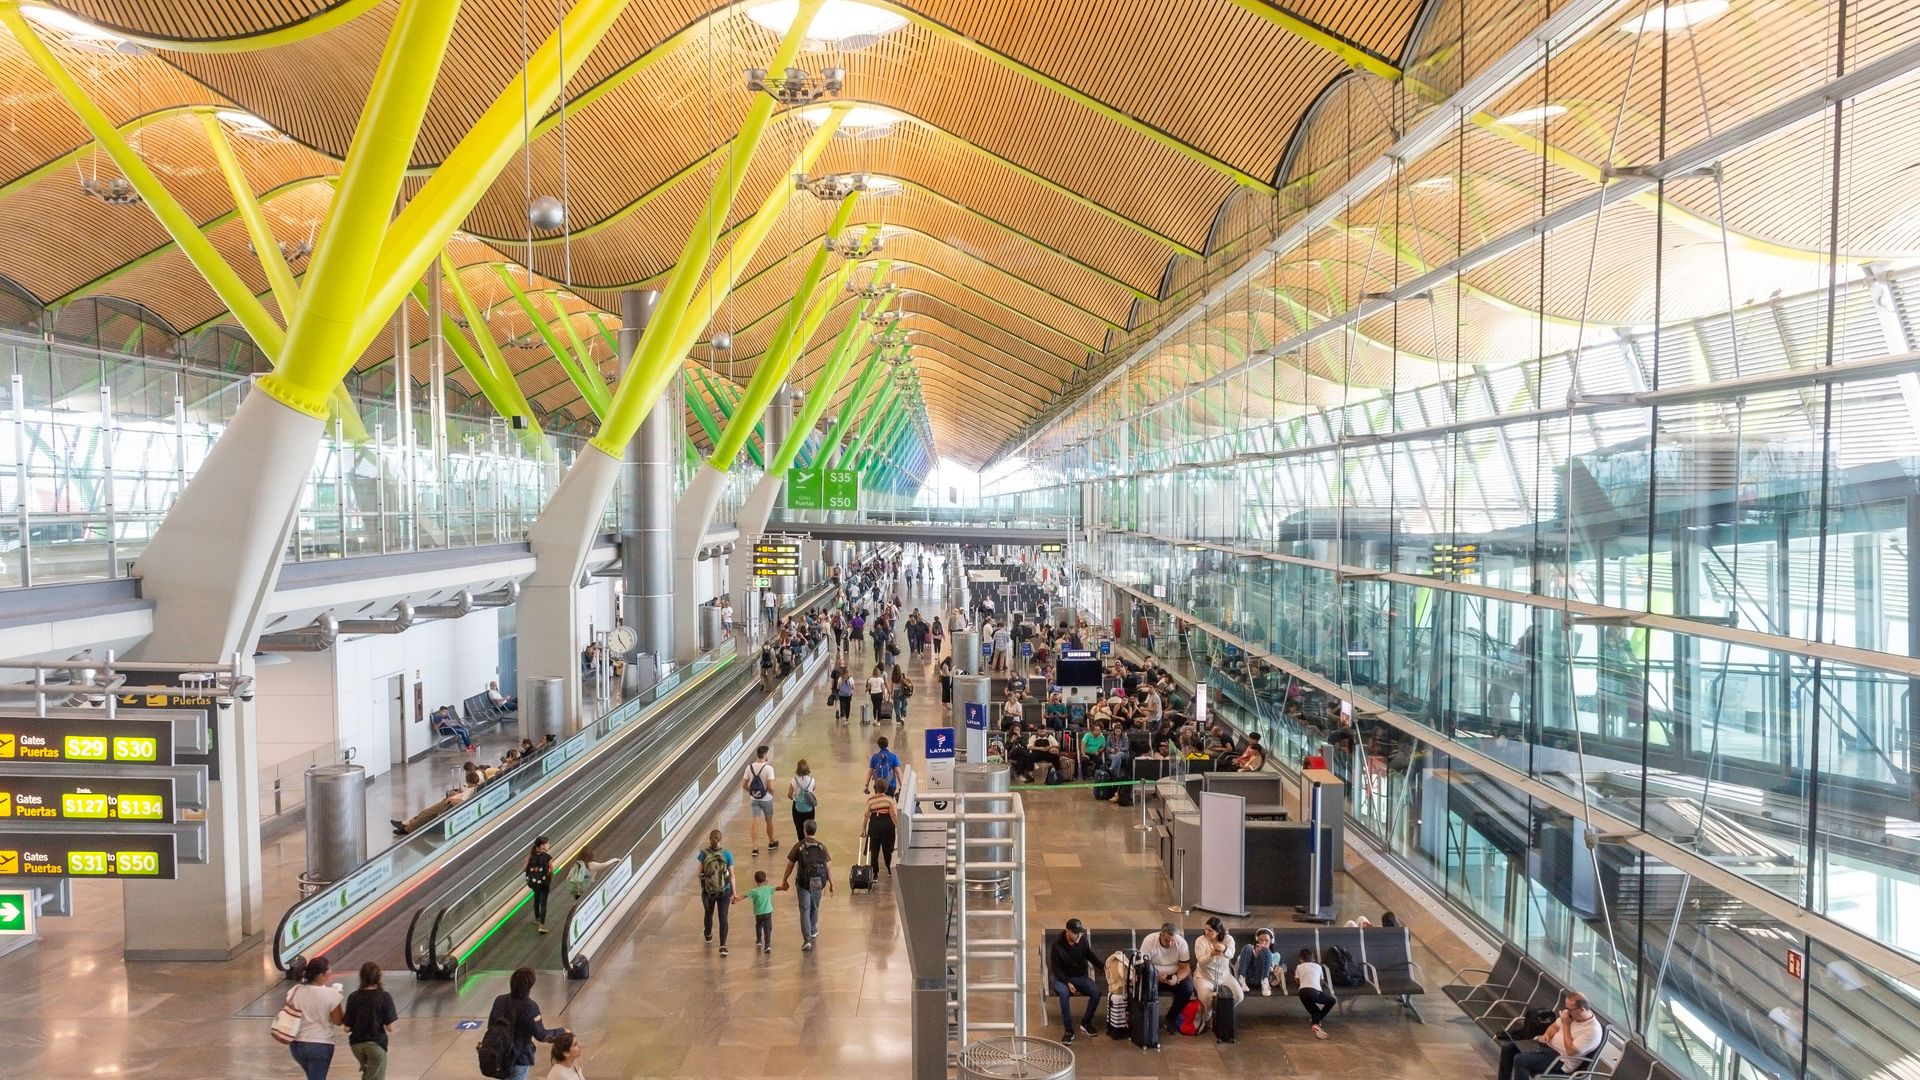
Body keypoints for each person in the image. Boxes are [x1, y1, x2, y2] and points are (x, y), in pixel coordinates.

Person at [1500, 991, 1604, 1080]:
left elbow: (1571, 1051)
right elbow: (1554, 1026)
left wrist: (1566, 1024)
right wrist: (1547, 1035)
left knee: (1521, 1059)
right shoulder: (1571, 1015)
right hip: (1546, 1048)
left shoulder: (1592, 1031)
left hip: (1561, 1060)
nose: (1567, 1011)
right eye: (1566, 1007)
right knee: (1508, 1048)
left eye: (1570, 1009)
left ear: (1582, 1009)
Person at [487, 967, 568, 1080]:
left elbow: (491, 1027)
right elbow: (541, 1035)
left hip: (499, 1056)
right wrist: (561, 1032)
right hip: (519, 1058)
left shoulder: (499, 1000)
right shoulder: (530, 1007)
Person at [284, 954, 345, 1080]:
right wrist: (337, 997)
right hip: (320, 1045)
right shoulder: (331, 995)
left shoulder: (295, 990)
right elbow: (338, 1021)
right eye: (329, 970)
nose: (330, 972)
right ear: (321, 975)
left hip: (297, 1045)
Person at [777, 818, 833, 951]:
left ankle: (807, 940)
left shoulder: (799, 846)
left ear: (804, 830)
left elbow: (790, 866)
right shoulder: (822, 847)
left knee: (804, 909)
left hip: (803, 882)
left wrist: (784, 880)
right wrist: (832, 884)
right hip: (818, 882)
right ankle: (813, 929)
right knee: (814, 906)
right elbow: (828, 867)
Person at [1047, 918, 1101, 1043]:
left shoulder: (1082, 941)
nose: (1078, 935)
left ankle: (1086, 1023)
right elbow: (1055, 969)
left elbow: (1090, 955)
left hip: (1080, 977)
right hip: (1062, 978)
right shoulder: (1057, 945)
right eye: (1075, 932)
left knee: (1096, 992)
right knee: (1064, 994)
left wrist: (1103, 966)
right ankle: (1068, 1030)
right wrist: (1067, 982)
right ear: (1067, 931)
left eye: (1079, 932)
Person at [344, 961, 397, 1080]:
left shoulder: (353, 996)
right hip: (376, 1044)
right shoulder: (384, 996)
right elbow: (390, 1027)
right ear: (379, 977)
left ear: (361, 977)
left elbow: (346, 1028)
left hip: (356, 1046)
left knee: (368, 1075)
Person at [1139, 921, 1195, 1032]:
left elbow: (1185, 967)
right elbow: (1142, 965)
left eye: (1172, 941)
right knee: (1145, 987)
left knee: (1187, 989)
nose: (1170, 944)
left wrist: (1177, 978)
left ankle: (1171, 1017)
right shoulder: (1149, 941)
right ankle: (1148, 1017)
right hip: (1153, 974)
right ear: (1160, 935)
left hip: (1174, 975)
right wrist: (1155, 975)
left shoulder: (1181, 943)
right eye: (1167, 940)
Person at [692, 828, 736, 954]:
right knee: (723, 918)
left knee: (708, 913)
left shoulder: (703, 854)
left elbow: (698, 873)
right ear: (720, 840)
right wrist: (734, 892)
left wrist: (706, 881)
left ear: (710, 840)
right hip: (724, 890)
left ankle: (708, 933)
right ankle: (723, 946)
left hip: (708, 891)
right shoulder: (727, 854)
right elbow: (732, 875)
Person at [1192, 917, 1243, 1025]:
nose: (1206, 932)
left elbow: (1231, 954)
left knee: (1238, 996)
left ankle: (1222, 1012)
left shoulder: (1228, 939)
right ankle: (1207, 1020)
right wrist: (1211, 955)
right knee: (1206, 999)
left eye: (1210, 930)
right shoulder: (1200, 941)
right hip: (1204, 976)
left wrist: (1224, 949)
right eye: (1205, 929)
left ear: (1218, 931)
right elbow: (1201, 962)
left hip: (1224, 976)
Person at [741, 745, 778, 856]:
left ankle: (755, 848)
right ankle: (771, 842)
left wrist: (752, 792)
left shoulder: (749, 767)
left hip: (754, 799)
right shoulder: (769, 769)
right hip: (766, 799)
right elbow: (770, 786)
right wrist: (772, 794)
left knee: (755, 822)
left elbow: (743, 784)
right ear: (765, 755)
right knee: (769, 820)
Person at [1294, 947, 1336, 1038]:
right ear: (1313, 959)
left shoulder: (1299, 966)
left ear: (1301, 959)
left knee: (1315, 1012)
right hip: (1314, 991)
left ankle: (1316, 1024)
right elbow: (1321, 981)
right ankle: (1317, 1021)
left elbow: (1297, 981)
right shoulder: (1318, 966)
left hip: (1302, 992)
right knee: (1332, 1001)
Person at [734, 869, 777, 954]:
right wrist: (784, 886)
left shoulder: (753, 891)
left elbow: (744, 896)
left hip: (758, 913)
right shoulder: (768, 889)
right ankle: (767, 945)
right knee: (768, 928)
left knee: (758, 925)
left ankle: (759, 939)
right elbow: (777, 888)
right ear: (765, 880)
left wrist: (736, 899)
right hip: (768, 912)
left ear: (755, 881)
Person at [861, 785, 899, 878]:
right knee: (887, 849)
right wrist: (898, 826)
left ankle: (875, 874)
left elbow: (866, 815)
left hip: (874, 825)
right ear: (885, 789)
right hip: (887, 825)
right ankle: (890, 871)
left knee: (874, 850)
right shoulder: (889, 799)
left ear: (875, 789)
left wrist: (863, 828)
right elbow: (893, 814)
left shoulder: (870, 800)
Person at [524, 836, 555, 933]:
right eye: (547, 843)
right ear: (542, 845)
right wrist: (549, 879)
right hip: (544, 883)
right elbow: (552, 871)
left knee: (536, 898)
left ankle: (537, 919)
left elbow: (525, 869)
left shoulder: (530, 856)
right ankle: (541, 926)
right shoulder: (547, 857)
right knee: (543, 903)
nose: (548, 845)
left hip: (533, 883)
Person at [1236, 927, 1279, 996]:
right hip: (1248, 977)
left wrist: (1261, 955)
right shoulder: (1250, 950)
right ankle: (1241, 980)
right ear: (1257, 940)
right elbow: (1239, 963)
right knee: (1248, 947)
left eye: (1266, 940)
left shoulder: (1276, 955)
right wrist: (1254, 955)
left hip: (1262, 977)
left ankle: (1265, 983)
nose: (1263, 943)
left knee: (1266, 951)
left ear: (1271, 941)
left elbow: (1273, 969)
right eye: (1261, 940)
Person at [789, 759, 819, 841]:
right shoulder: (812, 780)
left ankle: (802, 844)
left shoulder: (794, 780)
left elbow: (789, 794)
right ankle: (809, 842)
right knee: (809, 828)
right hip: (809, 807)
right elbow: (813, 788)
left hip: (797, 808)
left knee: (799, 828)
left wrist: (796, 799)